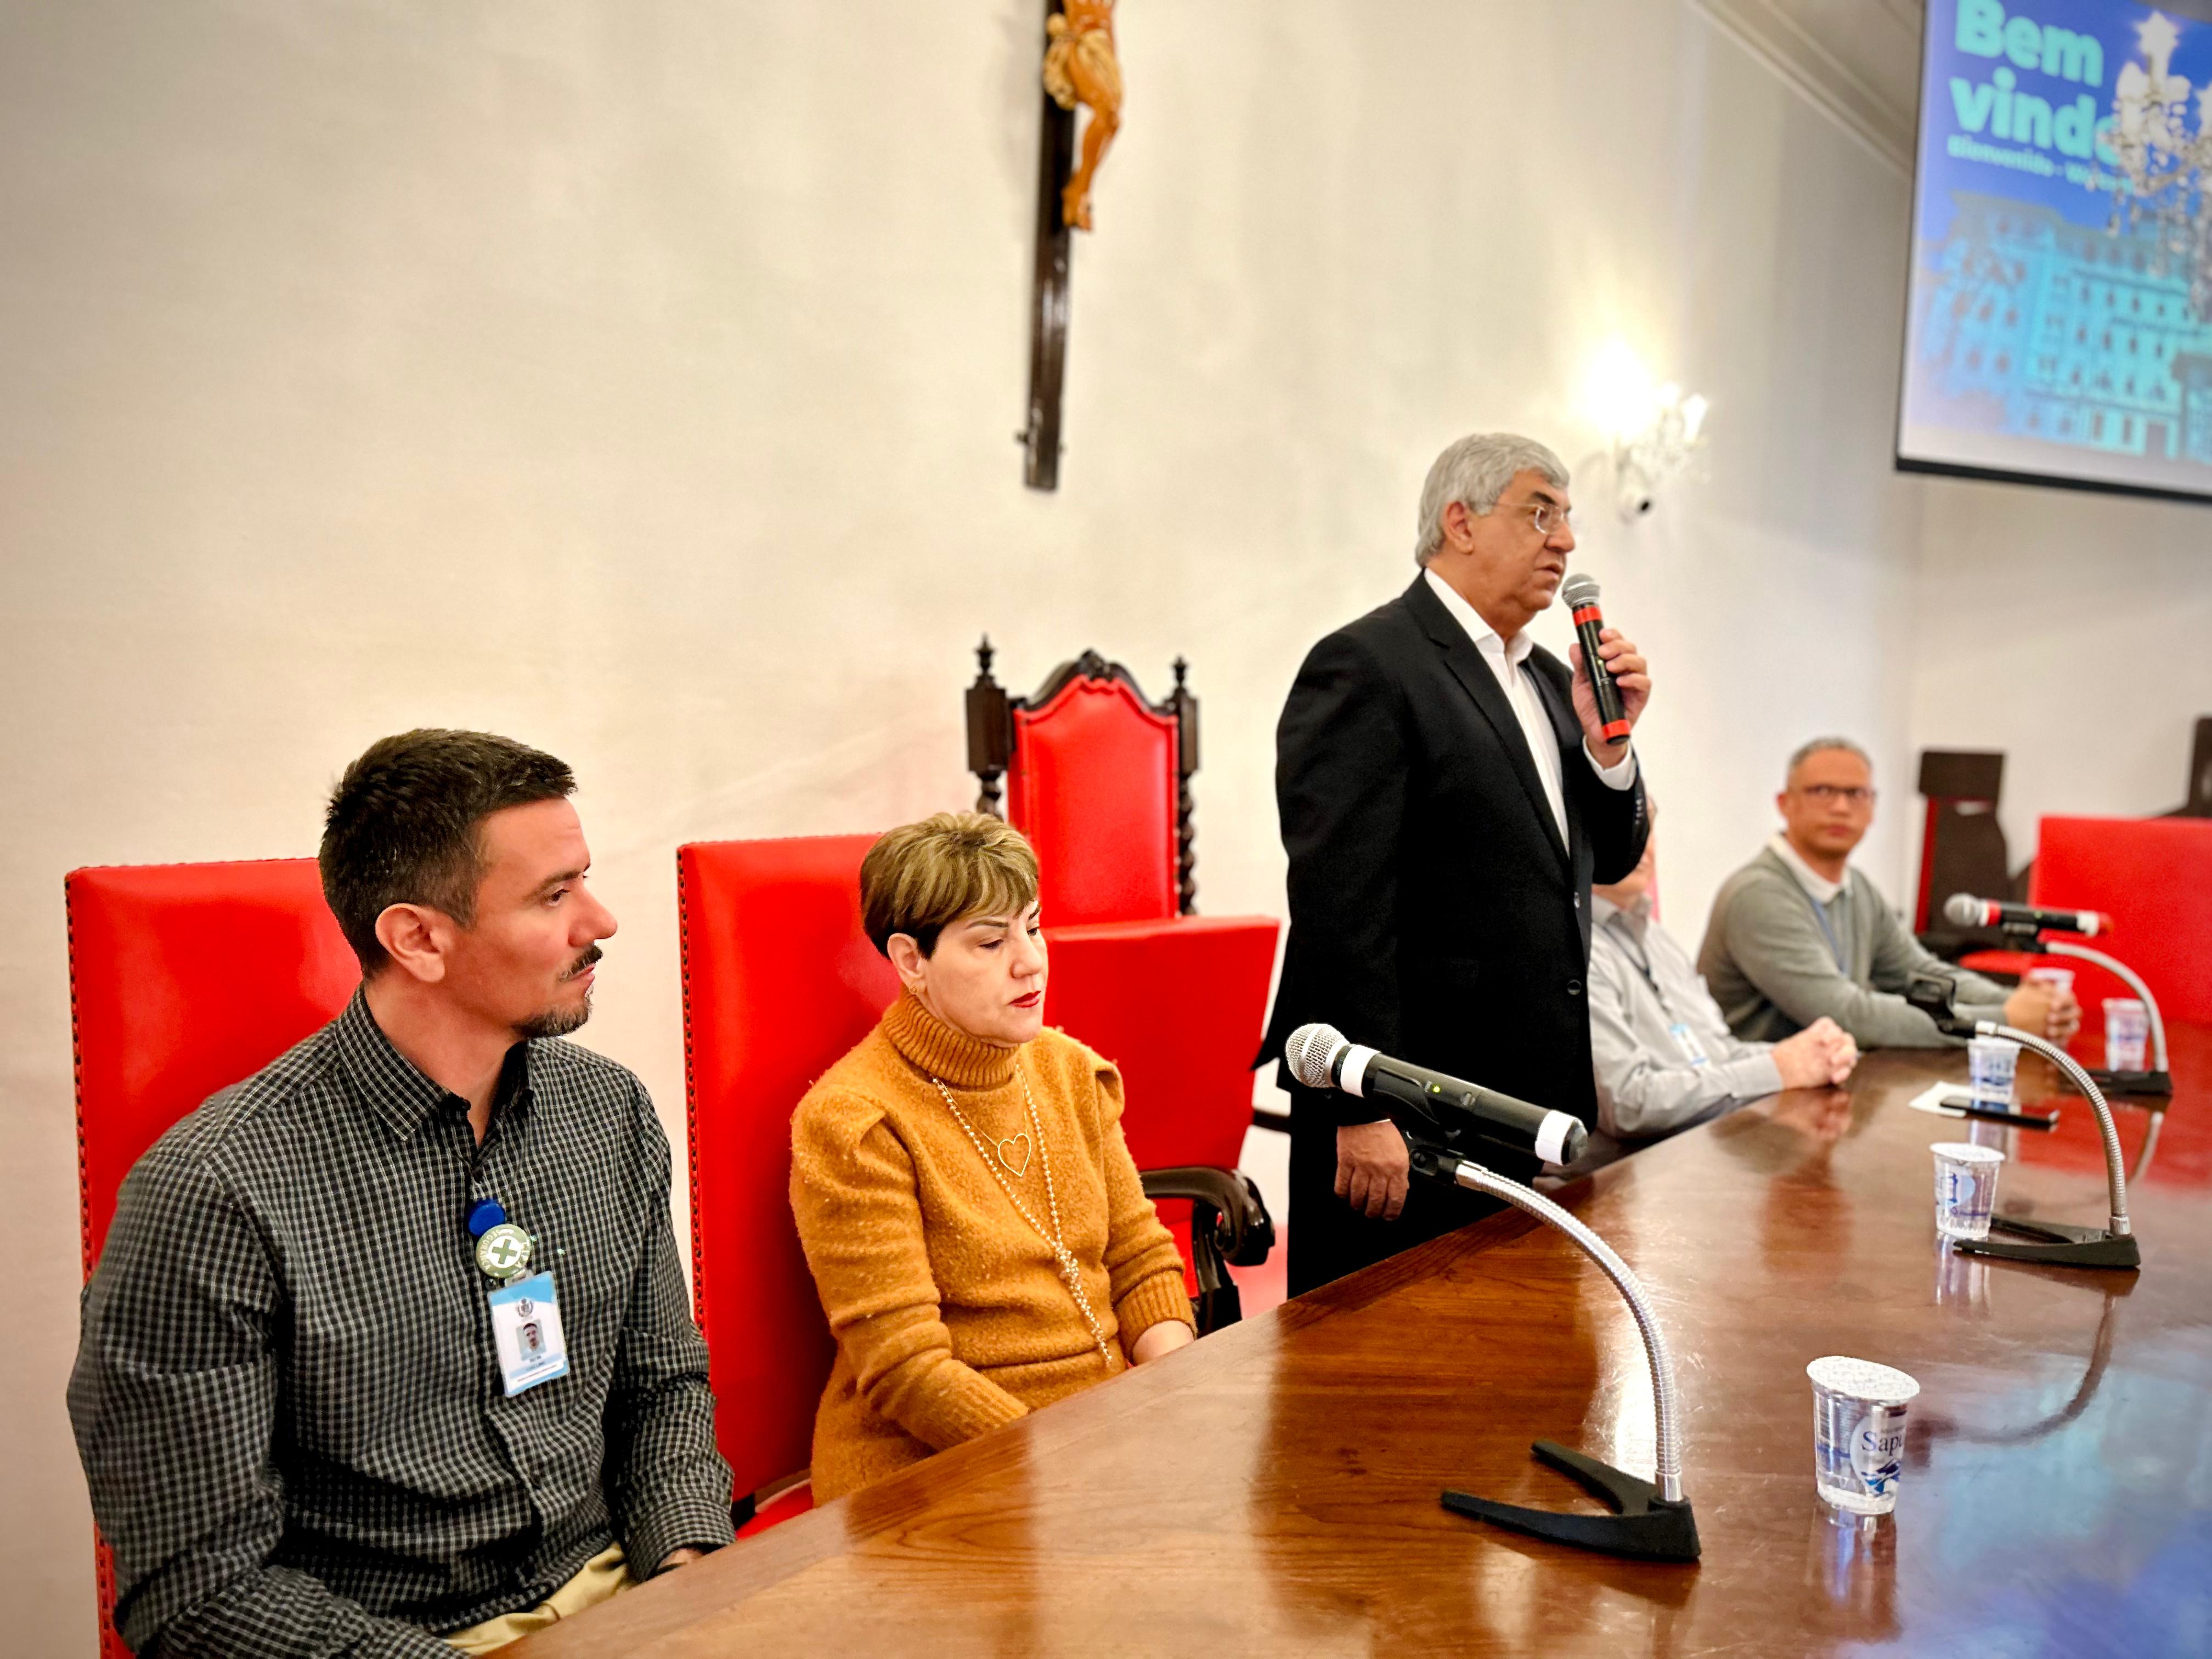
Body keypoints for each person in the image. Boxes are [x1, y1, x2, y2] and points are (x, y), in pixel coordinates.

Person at [70, 730, 732, 1658]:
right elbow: (200, 1593)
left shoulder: (607, 1112)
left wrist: (689, 1581)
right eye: (554, 895)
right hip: (396, 1639)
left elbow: (661, 1388)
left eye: (583, 879)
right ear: (418, 938)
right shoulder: (215, 1194)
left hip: (627, 1594)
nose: (602, 919)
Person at [1259, 432, 1652, 1296]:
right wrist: (1359, 1106)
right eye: (1540, 513)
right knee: (1385, 1354)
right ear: (1460, 523)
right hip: (1408, 1109)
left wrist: (1609, 749)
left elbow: (1611, 860)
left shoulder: (1548, 678)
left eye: (1568, 518)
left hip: (1527, 1106)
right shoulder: (1369, 665)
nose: (1566, 541)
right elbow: (1339, 908)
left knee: (1521, 1348)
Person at [788, 812, 1196, 1502]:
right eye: (990, 941)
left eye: (1033, 927)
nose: (1030, 961)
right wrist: (1072, 1462)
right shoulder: (854, 1122)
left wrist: (1173, 1391)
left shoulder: (1070, 1071)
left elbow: (1139, 1259)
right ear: (911, 962)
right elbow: (906, 1369)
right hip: (933, 1473)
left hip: (1095, 1447)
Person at [1699, 736, 2083, 1048]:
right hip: (1758, 1106)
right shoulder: (1759, 895)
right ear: (1785, 804)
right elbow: (1847, 1015)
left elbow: (1920, 972)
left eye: (1856, 794)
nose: (1841, 807)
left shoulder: (1858, 888)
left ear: (1872, 808)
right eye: (1822, 791)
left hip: (1829, 1083)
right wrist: (2005, 1021)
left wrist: (2022, 1004)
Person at [1587, 798, 1857, 1148]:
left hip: (1702, 1146)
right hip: (1629, 1173)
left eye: (1648, 829)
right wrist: (1780, 1068)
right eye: (1624, 827)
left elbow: (1719, 1054)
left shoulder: (1657, 938)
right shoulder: (1576, 953)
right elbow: (1629, 1104)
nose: (1641, 843)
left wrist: (1812, 1055)